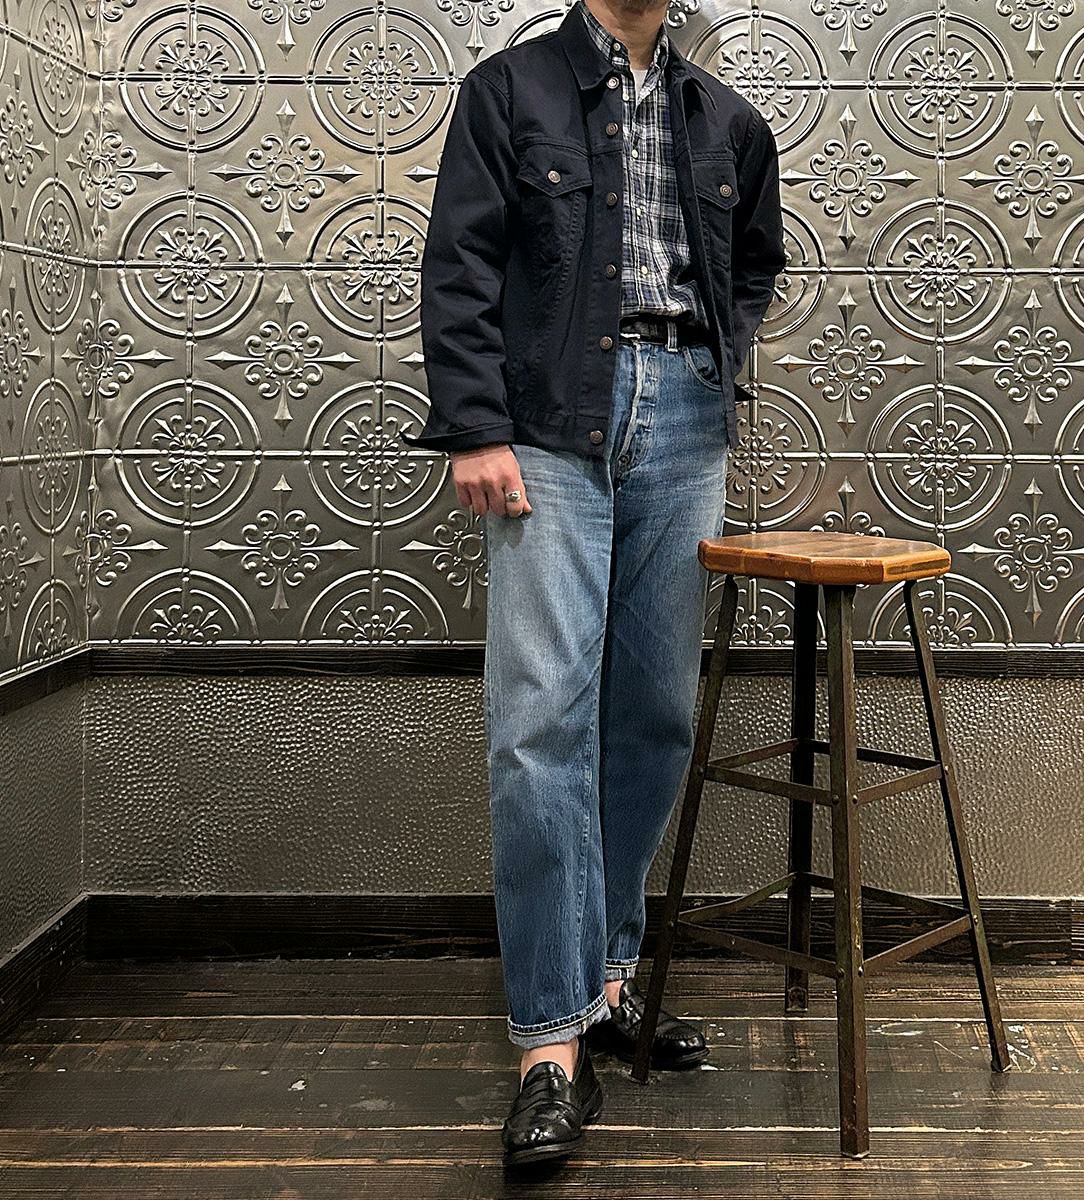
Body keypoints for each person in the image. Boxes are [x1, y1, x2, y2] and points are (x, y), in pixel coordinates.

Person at [400, 0, 786, 1170]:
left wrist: (712, 366)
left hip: (685, 422)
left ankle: (607, 977)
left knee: (654, 714)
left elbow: (754, 263)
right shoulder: (509, 89)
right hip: (549, 422)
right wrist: (476, 425)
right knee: (540, 724)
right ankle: (550, 1047)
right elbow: (459, 262)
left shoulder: (727, 120)